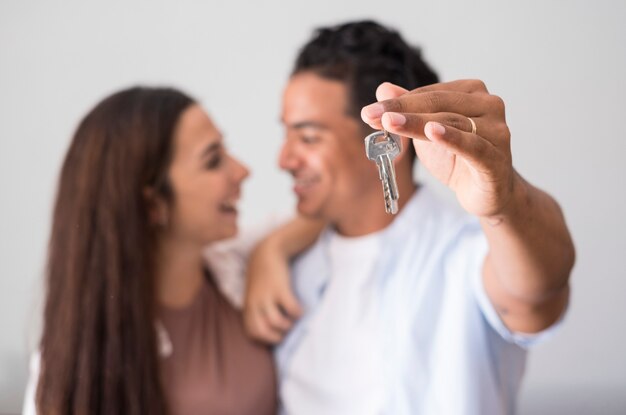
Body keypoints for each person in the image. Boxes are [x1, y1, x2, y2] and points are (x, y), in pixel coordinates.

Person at [244, 20, 575, 414]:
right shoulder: (281, 261)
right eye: (287, 135)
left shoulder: (465, 255)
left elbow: (538, 290)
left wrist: (505, 205)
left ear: (388, 143)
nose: (284, 160)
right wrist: (270, 250)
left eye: (309, 137)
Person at [22, 86, 320, 415]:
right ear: (153, 204)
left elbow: (327, 209)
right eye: (213, 160)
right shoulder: (76, 361)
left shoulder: (230, 263)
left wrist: (271, 251)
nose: (241, 171)